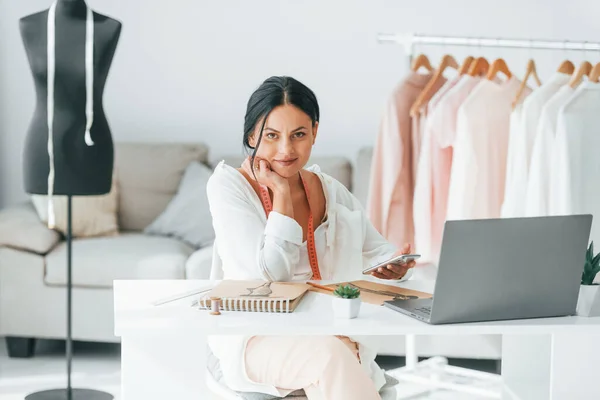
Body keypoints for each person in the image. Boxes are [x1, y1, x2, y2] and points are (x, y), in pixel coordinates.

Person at [206, 76, 416, 400]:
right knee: (333, 357)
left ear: (315, 132)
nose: (286, 150)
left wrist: (393, 266)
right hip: (256, 339)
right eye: (272, 136)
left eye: (299, 135)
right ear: (251, 136)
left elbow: (376, 249)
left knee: (338, 355)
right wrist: (281, 195)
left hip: (324, 333)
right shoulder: (228, 187)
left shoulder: (327, 189)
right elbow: (270, 274)